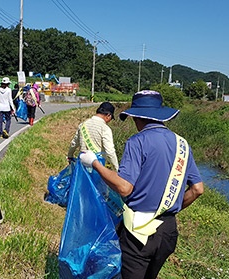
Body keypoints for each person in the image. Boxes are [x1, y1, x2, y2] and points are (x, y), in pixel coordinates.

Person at [79, 90, 205, 279]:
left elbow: (124, 187)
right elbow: (197, 189)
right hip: (168, 231)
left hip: (139, 233)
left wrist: (95, 164)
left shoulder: (137, 142)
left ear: (137, 117)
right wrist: (169, 209)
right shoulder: (183, 144)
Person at [67, 102, 119, 169]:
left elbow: (74, 143)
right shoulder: (105, 128)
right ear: (108, 115)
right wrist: (116, 169)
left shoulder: (83, 125)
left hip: (82, 165)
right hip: (97, 167)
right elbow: (110, 152)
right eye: (111, 118)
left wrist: (70, 156)